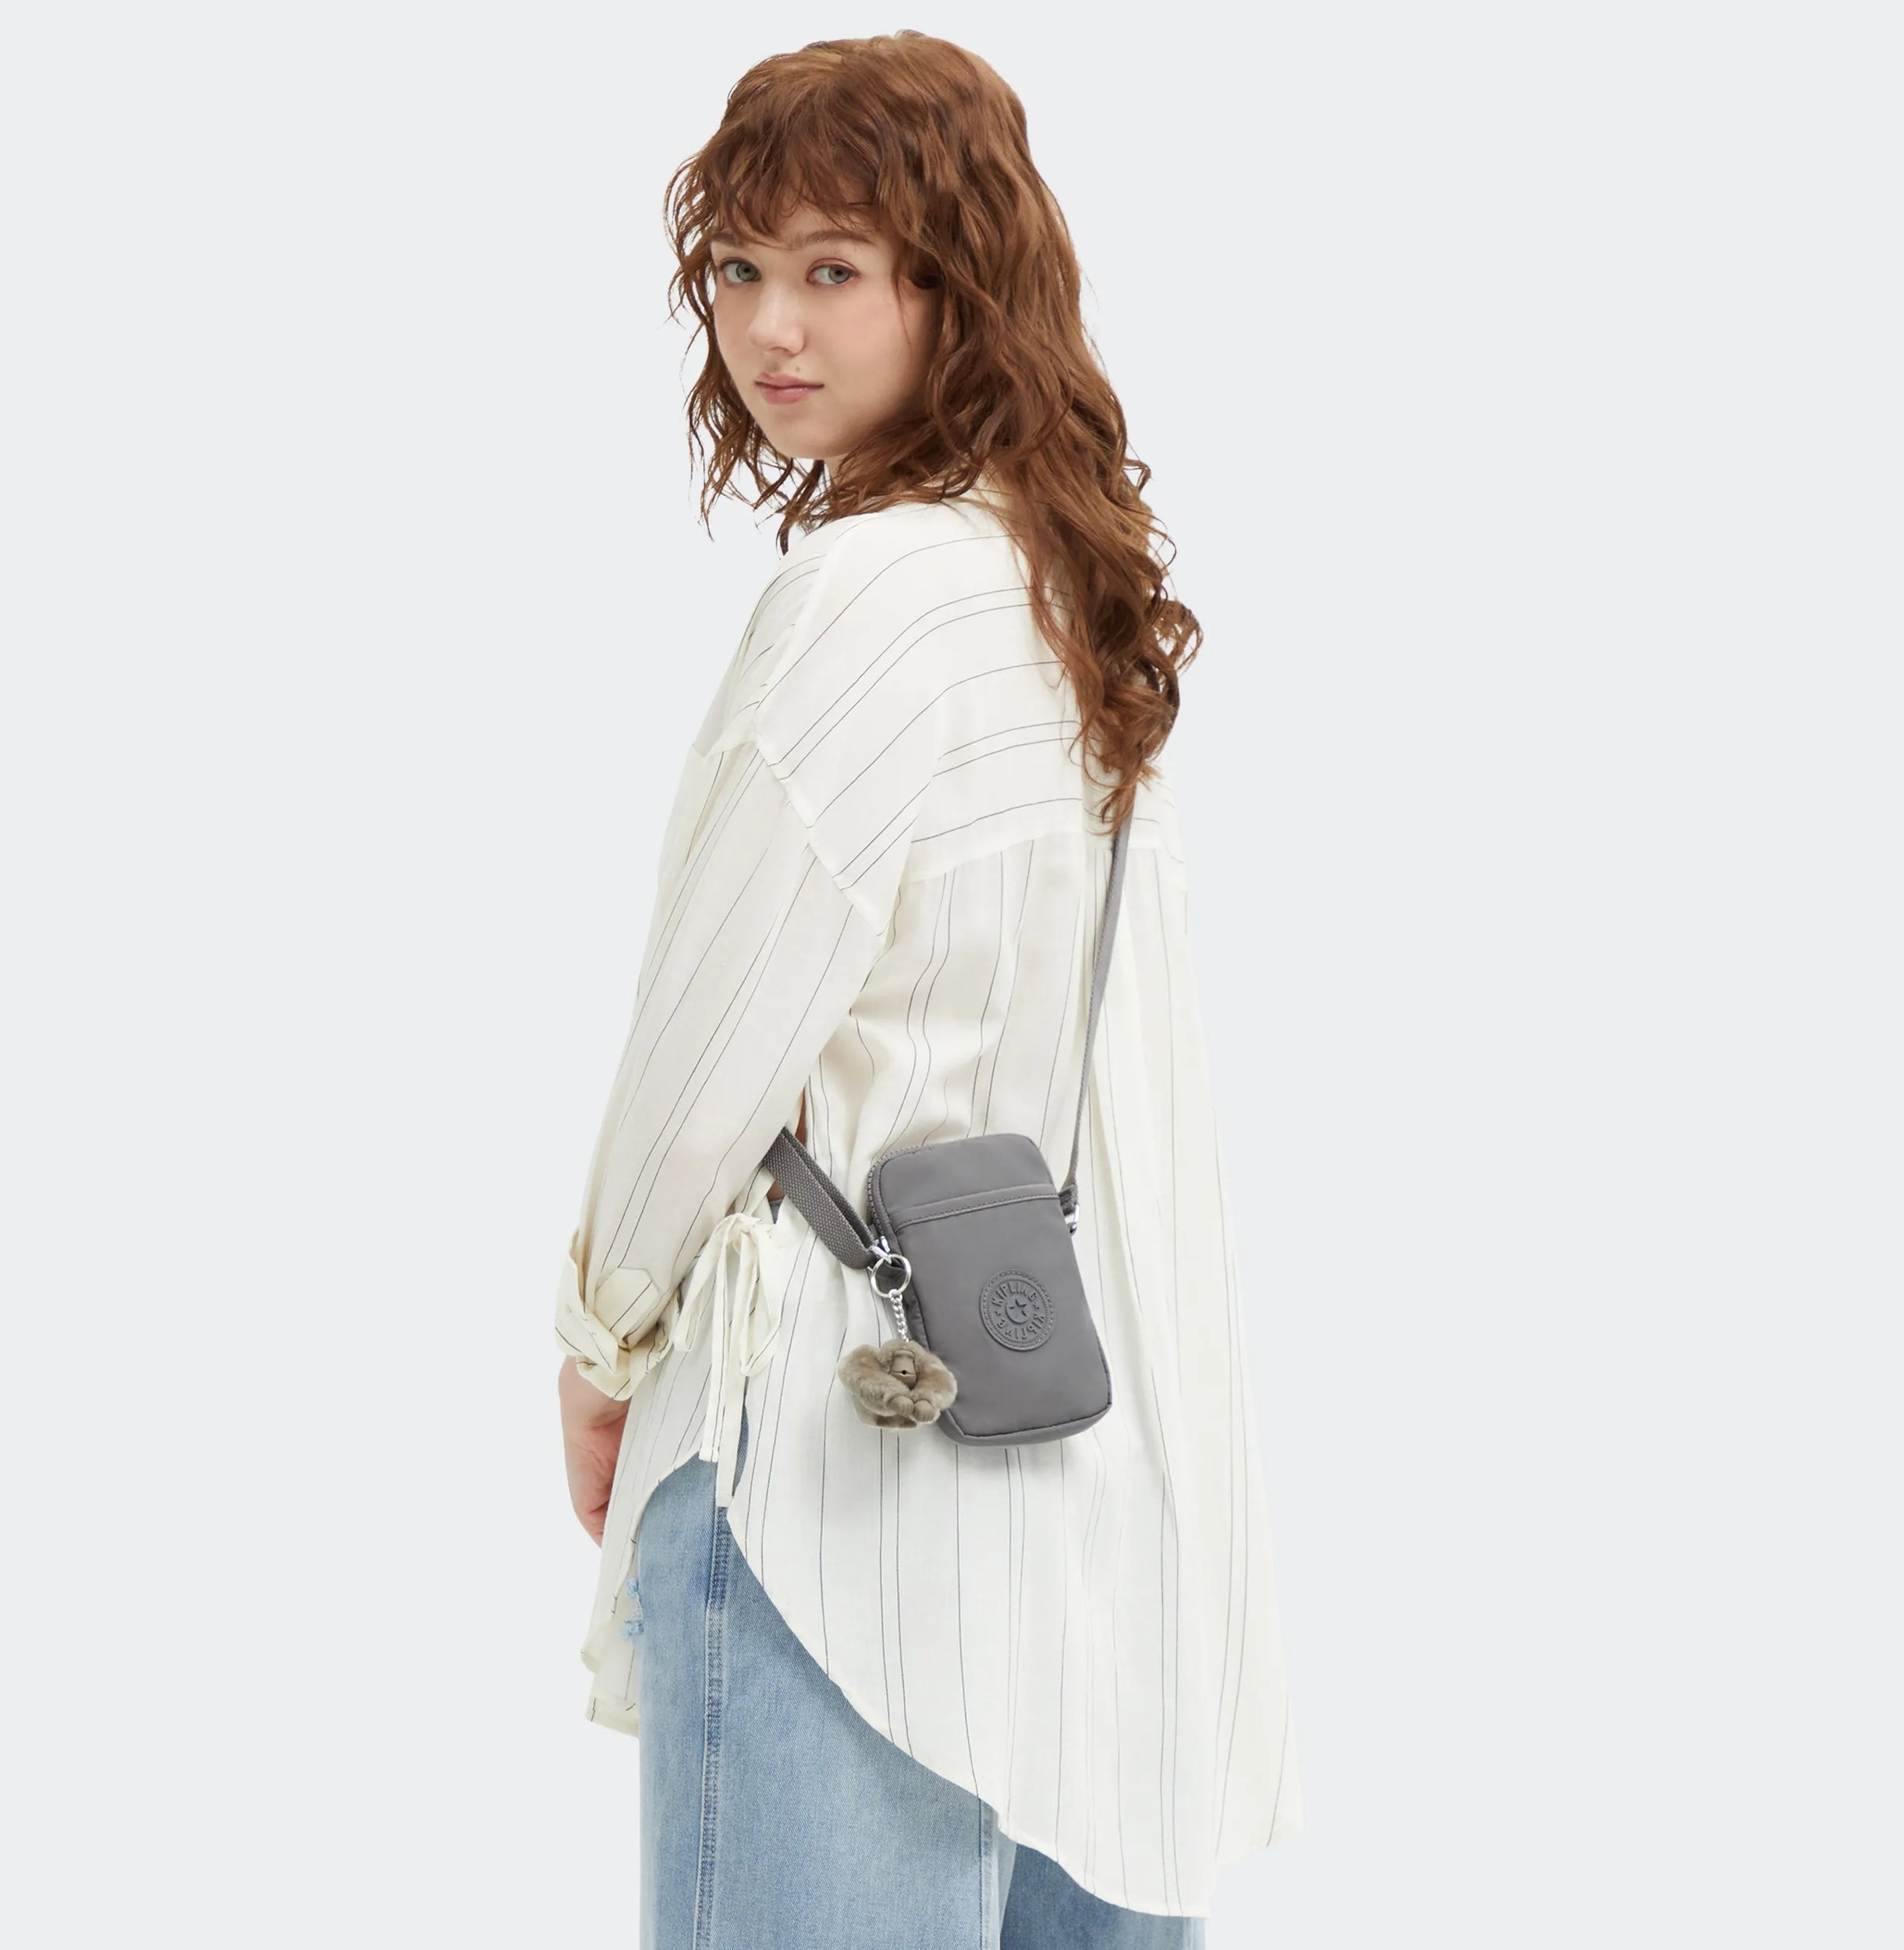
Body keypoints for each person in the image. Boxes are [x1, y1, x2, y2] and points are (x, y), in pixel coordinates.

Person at [553, 30, 1303, 1946]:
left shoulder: (860, 596)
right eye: (737, 267)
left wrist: (601, 1341)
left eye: (833, 268)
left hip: (836, 1479)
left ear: (953, 286)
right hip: (1089, 1514)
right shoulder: (1065, 597)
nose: (767, 327)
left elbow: (709, 1042)